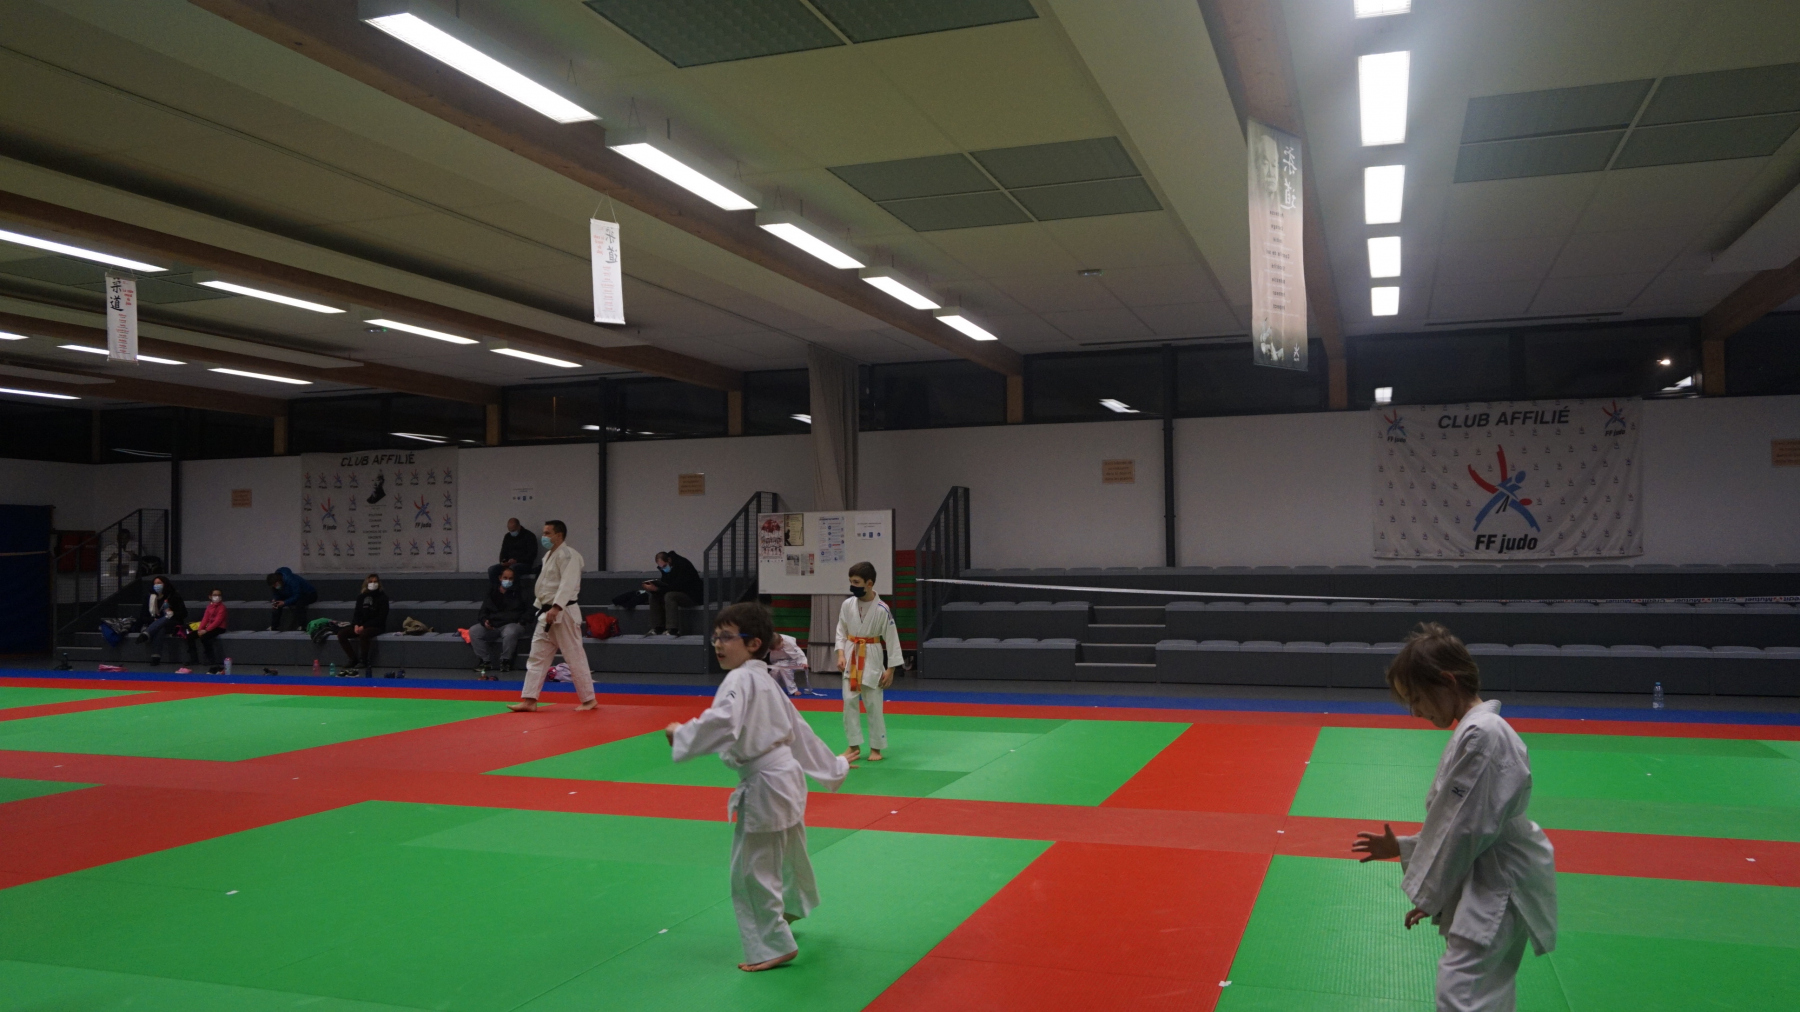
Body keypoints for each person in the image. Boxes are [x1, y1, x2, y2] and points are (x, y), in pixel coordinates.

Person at [1352, 623, 1557, 1012]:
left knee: (1461, 992)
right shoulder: (1476, 730)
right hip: (1489, 871)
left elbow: (1467, 827)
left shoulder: (1483, 734)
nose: (1415, 711)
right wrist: (1404, 848)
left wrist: (1431, 892)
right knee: (1482, 991)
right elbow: (1458, 821)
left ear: (1447, 681)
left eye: (1417, 698)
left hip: (1497, 878)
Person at [664, 602, 849, 972]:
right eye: (716, 637)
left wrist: (681, 734)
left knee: (751, 869)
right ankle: (792, 908)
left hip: (765, 783)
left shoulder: (740, 680)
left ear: (753, 644)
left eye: (727, 637)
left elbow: (724, 722)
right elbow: (799, 730)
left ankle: (771, 945)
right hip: (787, 778)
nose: (718, 644)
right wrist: (834, 767)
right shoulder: (764, 680)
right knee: (790, 852)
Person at [507, 520, 597, 712]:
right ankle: (530, 700)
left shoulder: (569, 555)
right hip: (546, 613)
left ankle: (589, 699)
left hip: (563, 612)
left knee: (574, 656)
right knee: (537, 656)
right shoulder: (549, 555)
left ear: (559, 535)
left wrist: (556, 607)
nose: (544, 537)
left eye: (547, 533)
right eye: (544, 533)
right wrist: (539, 607)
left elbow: (568, 584)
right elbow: (545, 586)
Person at [836, 561, 902, 763]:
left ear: (869, 583)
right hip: (851, 655)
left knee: (873, 704)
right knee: (849, 702)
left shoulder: (882, 609)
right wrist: (840, 654)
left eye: (856, 582)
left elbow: (892, 639)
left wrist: (891, 669)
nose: (852, 585)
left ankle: (876, 747)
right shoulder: (847, 605)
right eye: (851, 581)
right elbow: (841, 630)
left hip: (872, 656)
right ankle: (853, 745)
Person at [472, 567, 528, 678]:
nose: (508, 580)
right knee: (474, 631)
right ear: (500, 578)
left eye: (510, 578)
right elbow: (483, 611)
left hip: (512, 624)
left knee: (510, 632)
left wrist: (521, 621)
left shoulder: (520, 592)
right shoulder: (492, 592)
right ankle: (485, 661)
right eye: (505, 578)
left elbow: (528, 610)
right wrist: (485, 621)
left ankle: (506, 661)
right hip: (493, 625)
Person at [335, 573, 389, 675]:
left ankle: (363, 660)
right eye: (371, 582)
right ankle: (352, 659)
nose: (373, 583)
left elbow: (381, 618)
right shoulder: (361, 597)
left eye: (375, 582)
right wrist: (356, 625)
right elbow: (357, 613)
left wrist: (364, 626)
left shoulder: (383, 598)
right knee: (342, 634)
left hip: (376, 626)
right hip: (360, 625)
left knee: (364, 634)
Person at [643, 549, 702, 635]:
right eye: (661, 567)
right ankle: (657, 627)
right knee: (654, 596)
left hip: (691, 595)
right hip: (677, 591)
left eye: (664, 566)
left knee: (670, 596)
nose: (663, 569)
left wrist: (658, 589)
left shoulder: (683, 565)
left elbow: (678, 586)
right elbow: (666, 585)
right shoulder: (667, 568)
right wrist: (654, 588)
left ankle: (672, 629)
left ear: (669, 560)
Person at [134, 576, 187, 666]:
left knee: (167, 617)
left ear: (165, 584)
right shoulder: (149, 597)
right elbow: (143, 616)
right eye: (155, 583)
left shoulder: (174, 596)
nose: (157, 585)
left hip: (172, 622)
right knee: (160, 628)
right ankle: (156, 657)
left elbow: (184, 614)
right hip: (155, 624)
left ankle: (147, 634)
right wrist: (153, 619)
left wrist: (172, 612)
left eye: (159, 583)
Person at [189, 588, 228, 673]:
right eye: (215, 595)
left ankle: (212, 660)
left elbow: (217, 621)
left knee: (205, 637)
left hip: (219, 628)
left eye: (219, 595)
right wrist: (199, 629)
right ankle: (194, 659)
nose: (217, 597)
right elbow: (205, 619)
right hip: (208, 627)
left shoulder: (222, 607)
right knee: (190, 636)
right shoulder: (209, 606)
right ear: (210, 596)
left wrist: (206, 630)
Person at [266, 567, 318, 631]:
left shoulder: (292, 580)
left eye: (275, 585)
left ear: (279, 581)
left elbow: (297, 595)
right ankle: (274, 626)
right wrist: (275, 600)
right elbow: (276, 594)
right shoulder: (276, 586)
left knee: (300, 604)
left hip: (308, 594)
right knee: (276, 605)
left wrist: (285, 602)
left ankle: (303, 626)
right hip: (291, 595)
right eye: (273, 586)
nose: (275, 587)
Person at [488, 517, 538, 582]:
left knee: (512, 569)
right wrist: (503, 561)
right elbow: (503, 552)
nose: (512, 532)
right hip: (509, 564)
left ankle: (514, 587)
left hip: (524, 564)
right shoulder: (507, 536)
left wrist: (517, 560)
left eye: (513, 530)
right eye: (510, 530)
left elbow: (532, 555)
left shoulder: (529, 536)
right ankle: (497, 587)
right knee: (492, 569)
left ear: (519, 527)